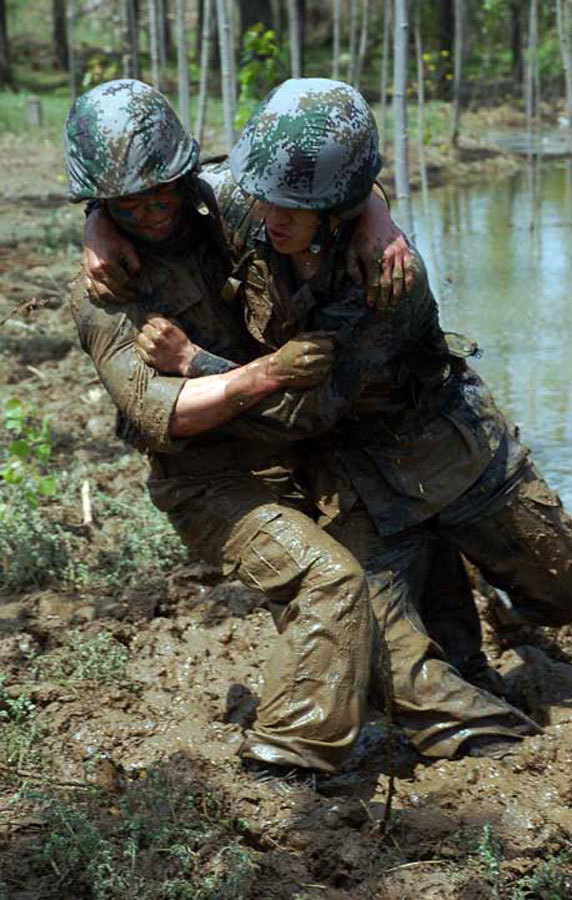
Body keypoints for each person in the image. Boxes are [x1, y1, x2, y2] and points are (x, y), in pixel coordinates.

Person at [75, 79, 555, 765]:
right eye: (128, 205)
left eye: (163, 194)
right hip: (304, 465)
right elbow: (172, 415)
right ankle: (317, 749)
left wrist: (376, 221)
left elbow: (312, 402)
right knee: (373, 631)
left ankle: (487, 647)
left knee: (557, 585)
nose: (153, 213)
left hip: (446, 453)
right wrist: (99, 222)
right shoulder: (144, 263)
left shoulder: (370, 270)